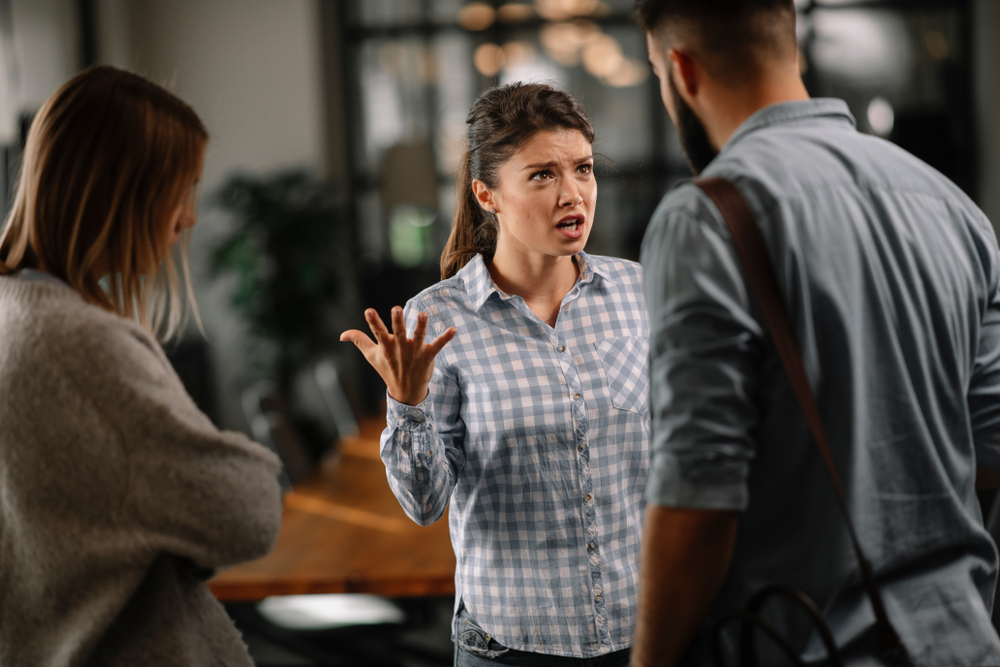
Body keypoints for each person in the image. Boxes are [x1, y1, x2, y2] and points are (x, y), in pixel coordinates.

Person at [630, 1, 1000, 666]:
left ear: (681, 70)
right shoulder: (950, 205)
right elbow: (993, 443)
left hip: (807, 645)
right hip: (961, 642)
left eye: (657, 74)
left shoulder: (706, 219)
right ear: (789, 48)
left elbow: (698, 497)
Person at [342, 82, 649, 666]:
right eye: (542, 175)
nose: (573, 194)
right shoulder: (436, 321)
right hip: (510, 647)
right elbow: (424, 504)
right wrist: (407, 404)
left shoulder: (641, 294)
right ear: (487, 195)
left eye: (583, 169)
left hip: (645, 636)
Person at [0, 66, 283, 666]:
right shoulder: (77, 342)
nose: (188, 217)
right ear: (118, 189)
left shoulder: (13, 313)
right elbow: (248, 511)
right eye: (181, 191)